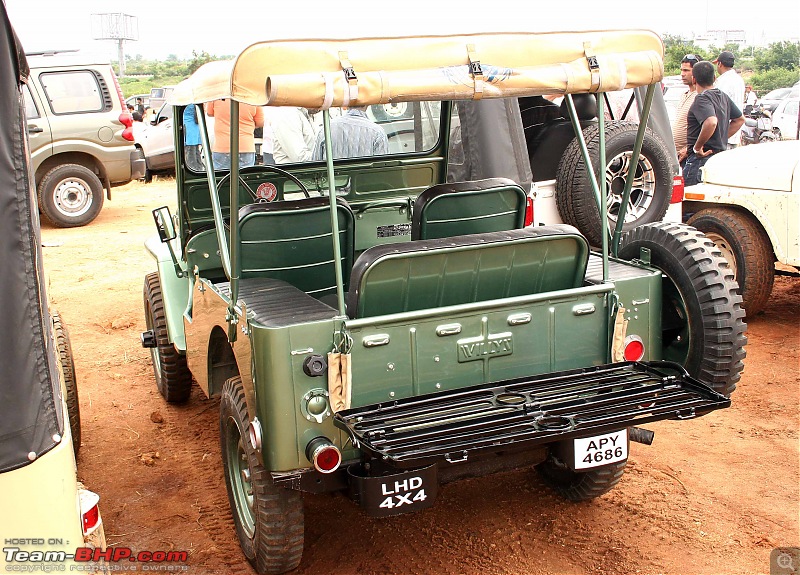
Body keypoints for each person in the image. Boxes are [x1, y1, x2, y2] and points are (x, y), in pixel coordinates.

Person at [683, 61, 744, 187]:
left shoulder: (702, 98)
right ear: (714, 78)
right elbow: (740, 120)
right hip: (718, 158)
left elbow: (711, 122)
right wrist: (720, 137)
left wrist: (697, 147)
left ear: (694, 80)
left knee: (688, 202)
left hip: (700, 160)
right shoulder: (723, 96)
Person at [311, 106, 389, 160]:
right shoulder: (377, 132)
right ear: (368, 103)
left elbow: (314, 168)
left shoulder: (326, 129)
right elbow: (382, 172)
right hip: (366, 183)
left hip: (332, 183)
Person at [205, 99, 264, 169]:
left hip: (222, 146)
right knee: (244, 177)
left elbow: (209, 113)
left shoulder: (217, 94)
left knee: (221, 178)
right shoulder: (253, 96)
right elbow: (260, 122)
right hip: (245, 146)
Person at [713, 51, 745, 148]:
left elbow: (720, 108)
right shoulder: (739, 79)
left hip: (725, 134)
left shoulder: (723, 81)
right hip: (735, 132)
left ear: (720, 64)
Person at [672, 54, 699, 166]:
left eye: (686, 70)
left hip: (689, 155)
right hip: (676, 153)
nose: (682, 74)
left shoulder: (700, 96)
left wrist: (689, 148)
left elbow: (706, 126)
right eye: (682, 70)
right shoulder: (684, 95)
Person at [183, 104, 203, 172]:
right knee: (196, 154)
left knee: (191, 157)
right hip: (195, 128)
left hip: (189, 130)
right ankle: (199, 171)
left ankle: (196, 172)